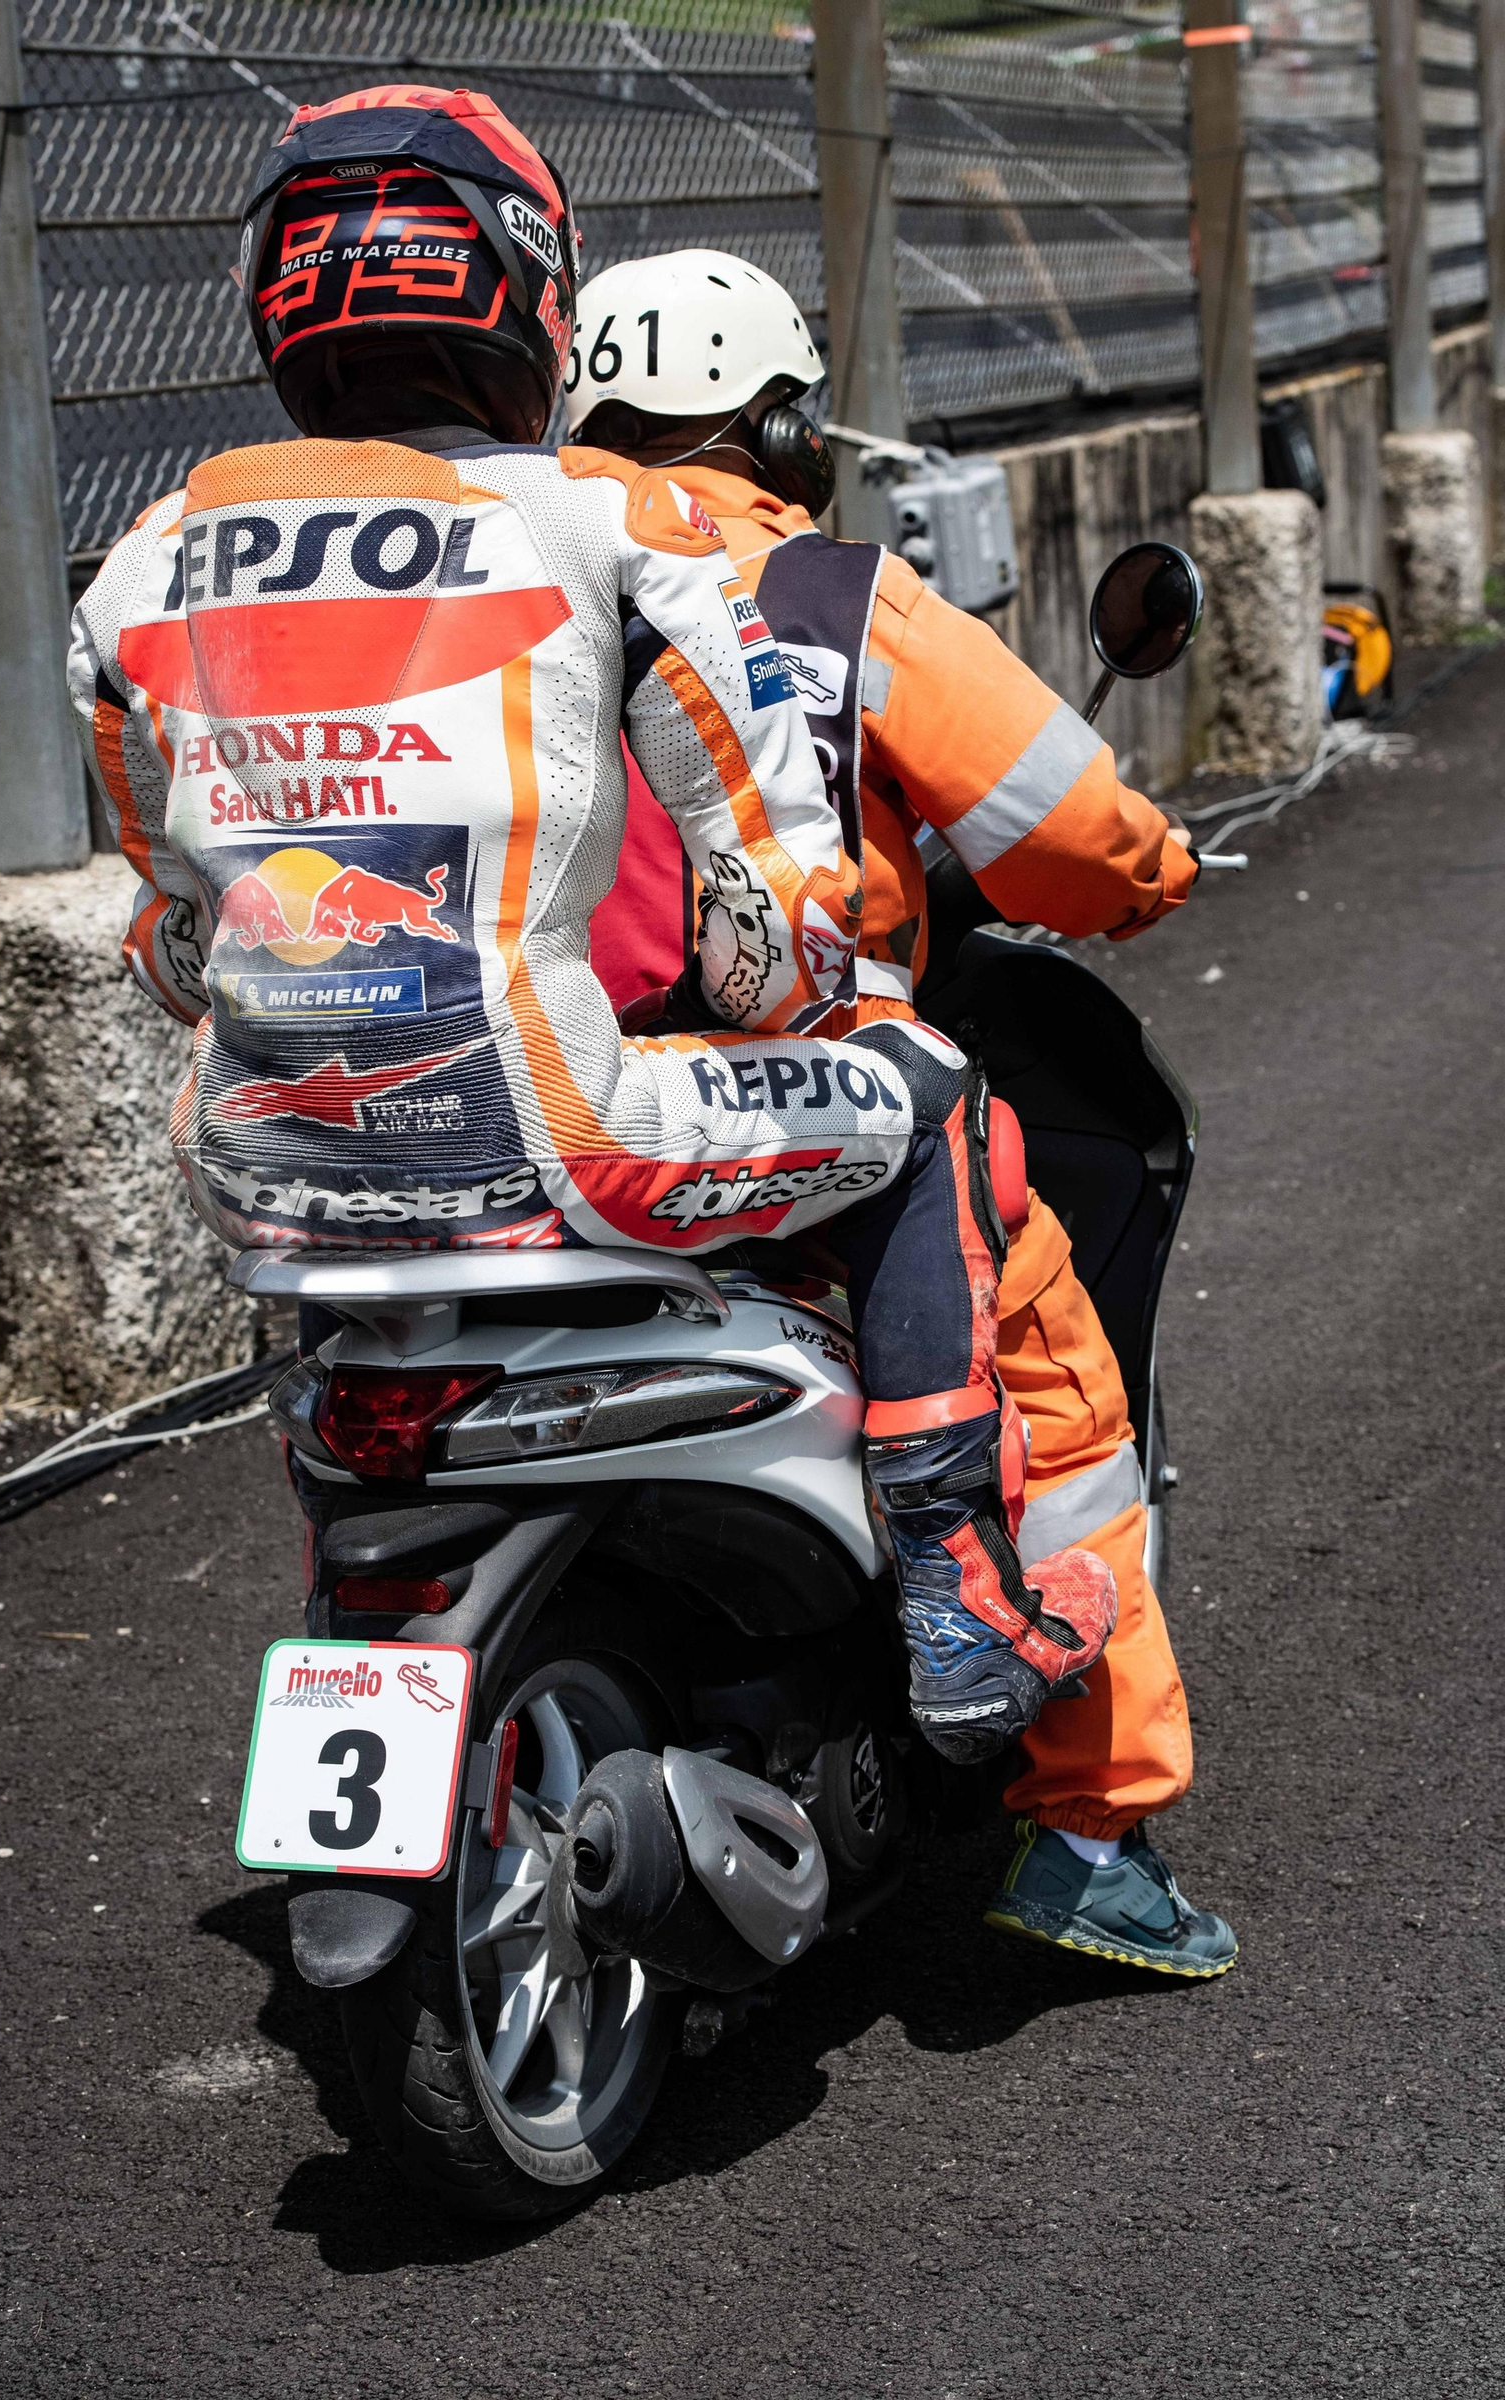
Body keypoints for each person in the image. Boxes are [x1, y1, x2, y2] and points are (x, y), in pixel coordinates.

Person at [65, 87, 1122, 1795]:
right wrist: (801, 992)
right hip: (564, 1147)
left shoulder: (144, 567)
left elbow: (172, 940)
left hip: (261, 1176)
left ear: (273, 299)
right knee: (921, 1089)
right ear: (529, 289)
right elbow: (769, 915)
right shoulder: (611, 525)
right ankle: (952, 1584)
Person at [564, 247, 1236, 1978]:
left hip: (495, 1096)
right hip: (784, 1096)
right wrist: (1150, 871)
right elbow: (1073, 833)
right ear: (781, 422)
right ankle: (1085, 1823)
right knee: (1059, 1386)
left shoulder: (496, 549)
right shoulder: (824, 587)